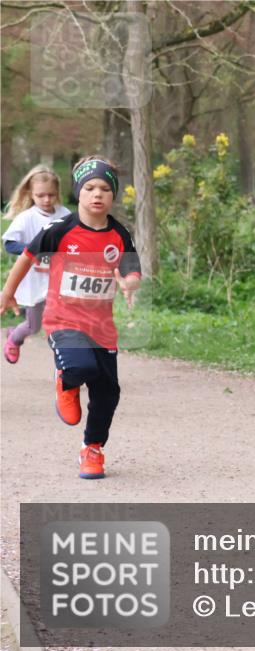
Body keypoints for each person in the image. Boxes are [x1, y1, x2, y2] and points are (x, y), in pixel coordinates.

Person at [0, 156, 141, 479]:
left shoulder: (120, 234)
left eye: (105, 189)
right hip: (63, 319)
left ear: (113, 196)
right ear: (78, 192)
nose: (97, 194)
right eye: (90, 187)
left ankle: (92, 449)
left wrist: (129, 281)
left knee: (108, 392)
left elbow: (132, 270)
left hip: (102, 326)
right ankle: (67, 380)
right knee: (80, 366)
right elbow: (25, 258)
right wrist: (8, 294)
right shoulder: (59, 230)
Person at [2, 165, 72, 364]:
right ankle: (14, 337)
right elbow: (10, 244)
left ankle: (66, 362)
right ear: (31, 194)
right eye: (41, 195)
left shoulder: (65, 214)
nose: (47, 200)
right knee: (34, 326)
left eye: (51, 195)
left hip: (60, 280)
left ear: (57, 193)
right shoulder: (26, 218)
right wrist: (34, 250)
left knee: (64, 323)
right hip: (34, 281)